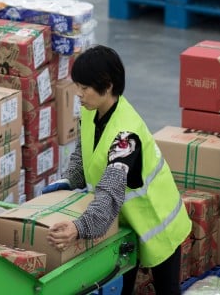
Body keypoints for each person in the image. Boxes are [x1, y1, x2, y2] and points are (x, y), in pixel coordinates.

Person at [45, 46, 191, 295]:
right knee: (122, 286)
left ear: (107, 85)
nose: (78, 94)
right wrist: (70, 180)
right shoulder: (92, 111)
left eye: (84, 88)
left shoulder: (125, 135)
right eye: (77, 86)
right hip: (123, 223)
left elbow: (110, 194)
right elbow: (84, 151)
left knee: (167, 291)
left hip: (155, 221)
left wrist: (79, 228)